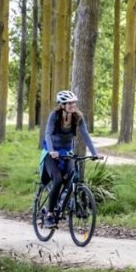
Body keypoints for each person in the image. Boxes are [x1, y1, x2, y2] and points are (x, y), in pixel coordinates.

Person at [40, 89, 100, 228]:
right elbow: (48, 134)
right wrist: (51, 151)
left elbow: (85, 136)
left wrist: (95, 153)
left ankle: (63, 201)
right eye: (69, 103)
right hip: (51, 153)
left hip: (67, 152)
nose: (73, 105)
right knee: (58, 180)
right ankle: (49, 214)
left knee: (71, 176)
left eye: (74, 102)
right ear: (62, 105)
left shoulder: (78, 117)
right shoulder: (54, 116)